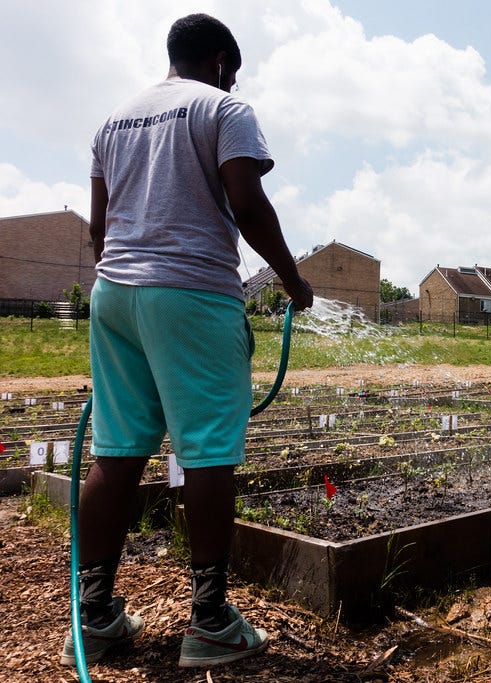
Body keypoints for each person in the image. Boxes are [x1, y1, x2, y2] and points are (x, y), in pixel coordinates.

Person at [61, 13, 313, 669]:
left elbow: (100, 225)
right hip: (193, 292)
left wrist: (125, 283)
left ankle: (94, 617)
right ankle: (209, 620)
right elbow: (248, 204)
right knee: (205, 453)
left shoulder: (114, 120)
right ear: (223, 60)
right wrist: (292, 279)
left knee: (115, 452)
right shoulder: (225, 108)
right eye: (236, 68)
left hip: (114, 293)